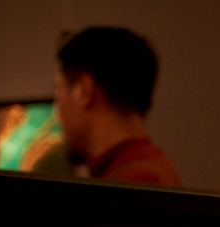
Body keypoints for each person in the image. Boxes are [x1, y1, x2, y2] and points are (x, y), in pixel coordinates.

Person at [54, 27, 181, 186]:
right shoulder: (144, 172)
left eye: (58, 96)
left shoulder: (137, 182)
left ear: (85, 90)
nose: (57, 113)